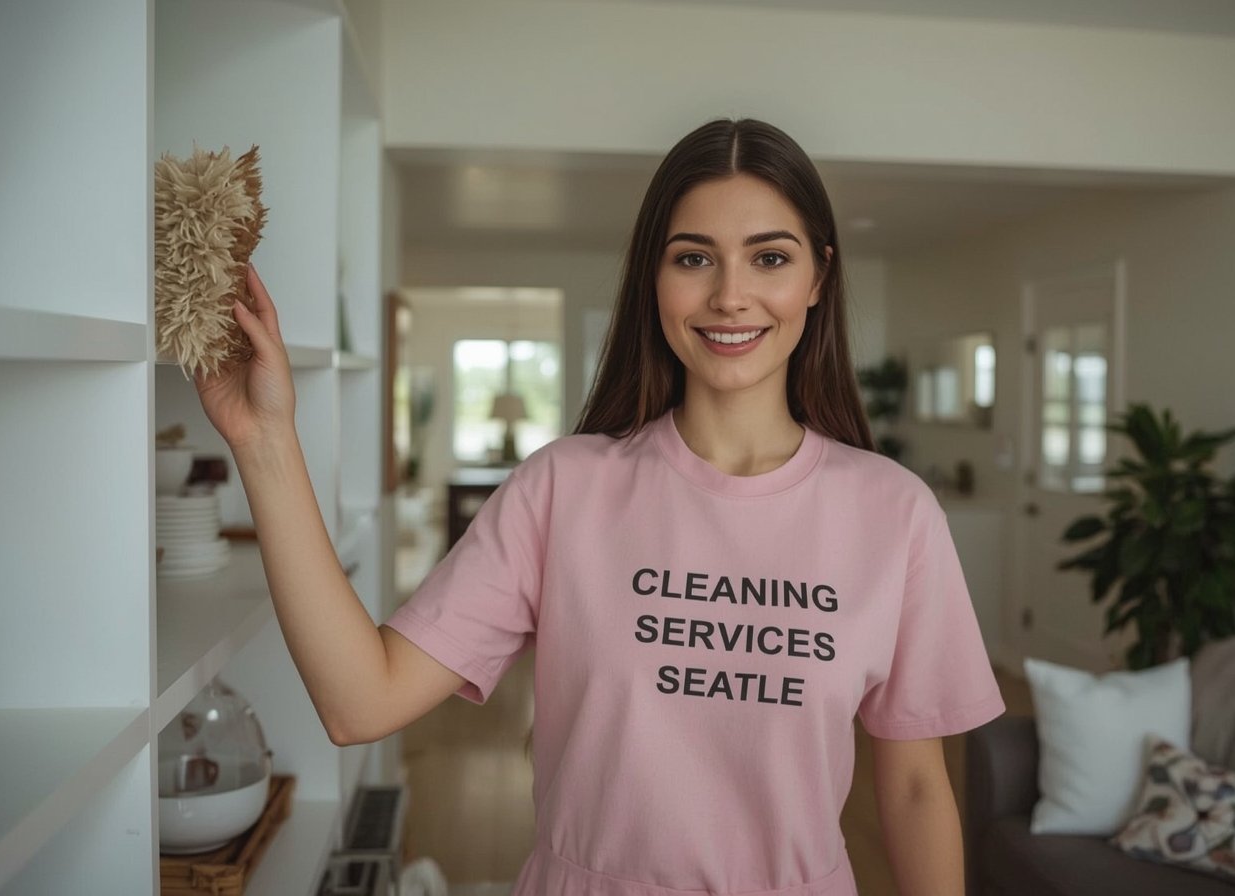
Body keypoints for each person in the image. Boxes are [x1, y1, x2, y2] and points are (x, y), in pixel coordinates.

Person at [197, 118, 1005, 896]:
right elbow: (359, 701)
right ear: (654, 277)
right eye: (694, 258)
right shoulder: (562, 489)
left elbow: (915, 789)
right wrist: (264, 442)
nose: (731, 295)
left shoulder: (894, 513)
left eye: (769, 258)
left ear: (818, 277)